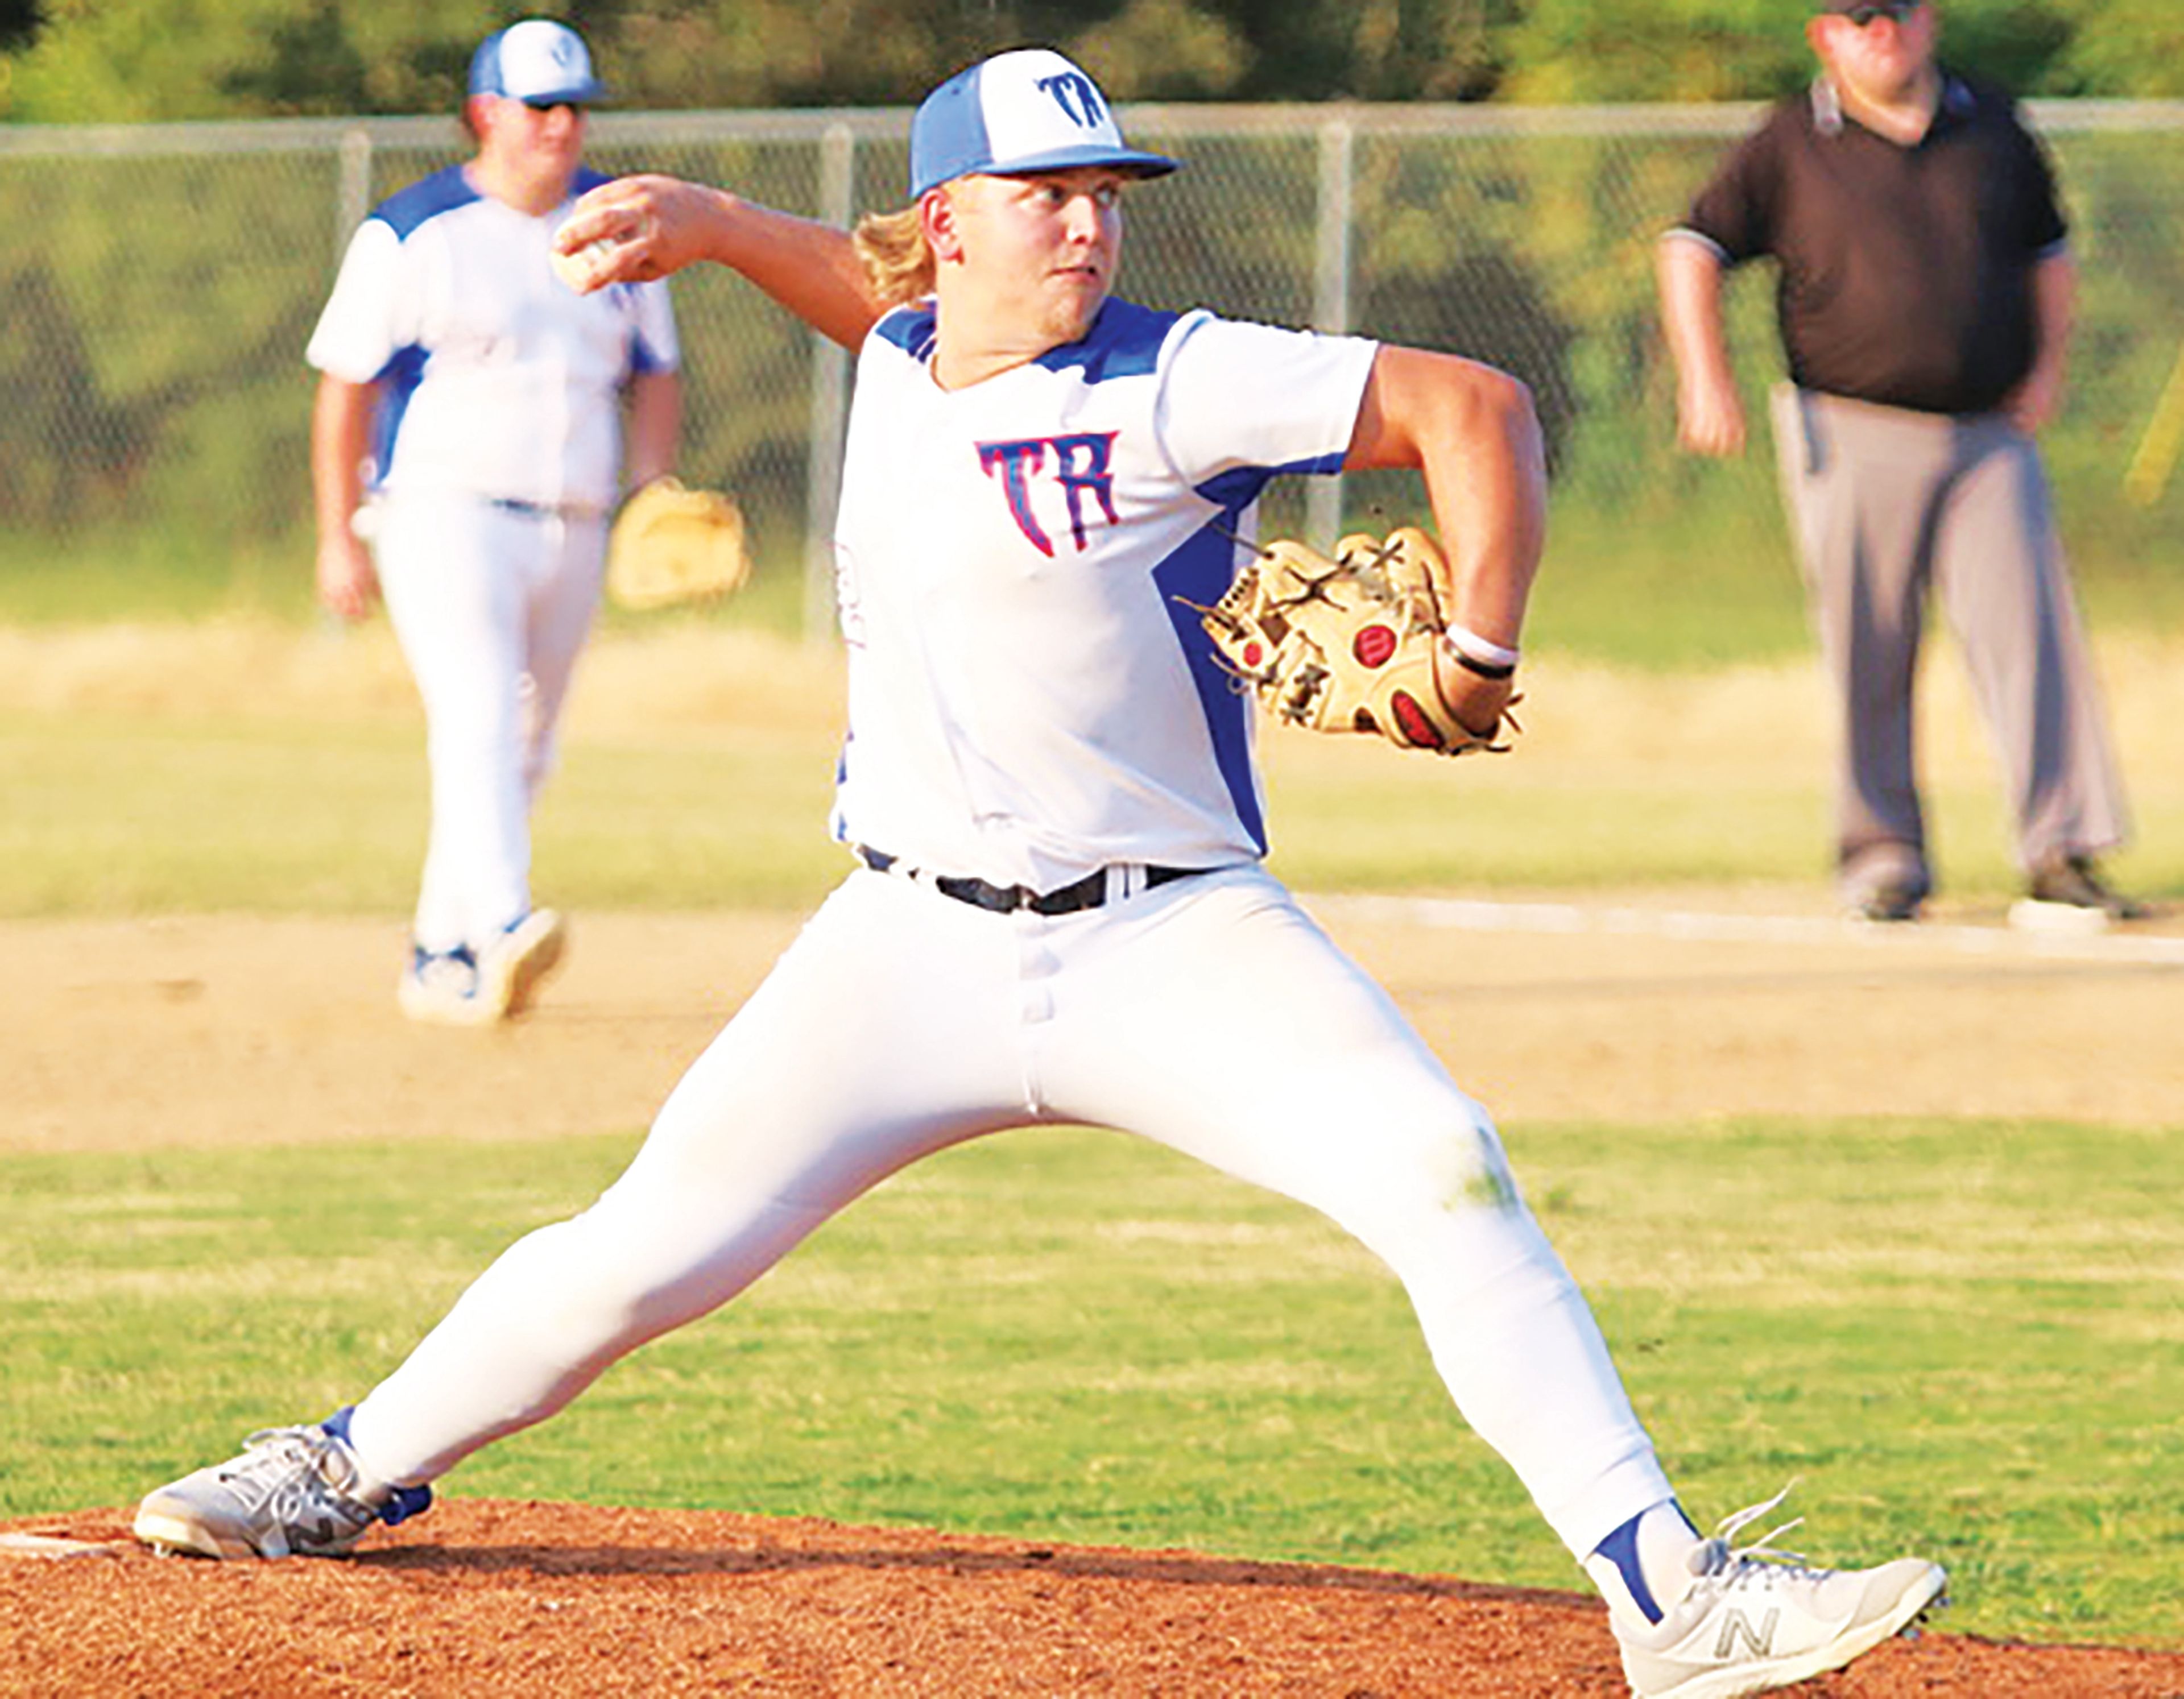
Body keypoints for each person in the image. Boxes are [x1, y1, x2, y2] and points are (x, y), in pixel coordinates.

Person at [137, 49, 1944, 1698]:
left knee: (1440, 1164)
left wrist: (1477, 649)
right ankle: (343, 1462)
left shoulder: (1185, 374)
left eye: (1104, 194)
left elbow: (1474, 408)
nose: (1088, 223)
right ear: (951, 229)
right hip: (901, 947)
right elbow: (842, 281)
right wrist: (698, 222)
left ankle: (1670, 1596)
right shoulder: (911, 350)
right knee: (635, 1254)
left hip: (1175, 937)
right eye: (1046, 194)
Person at [1658, 0, 2142, 927]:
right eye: (1861, 16)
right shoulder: (1793, 139)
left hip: (1988, 436)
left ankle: (2061, 850)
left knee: (2032, 640)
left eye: (1902, 12)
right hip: (1850, 428)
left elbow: (2049, 250)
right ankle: (1881, 855)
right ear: (1827, 35)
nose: (1886, 32)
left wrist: (2046, 371)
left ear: (1932, 21)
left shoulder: (1988, 121)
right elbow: (1692, 246)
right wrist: (1703, 378)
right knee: (1867, 648)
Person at [308, 18, 684, 1024]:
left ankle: (443, 951)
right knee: (476, 712)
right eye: (542, 107)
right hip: (442, 511)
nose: (564, 127)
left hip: (577, 517)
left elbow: (655, 373)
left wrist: (654, 484)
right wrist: (337, 530)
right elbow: (346, 387)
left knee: (528, 742)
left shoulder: (612, 228)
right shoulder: (416, 230)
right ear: (487, 114)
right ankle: (508, 920)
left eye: (578, 108)